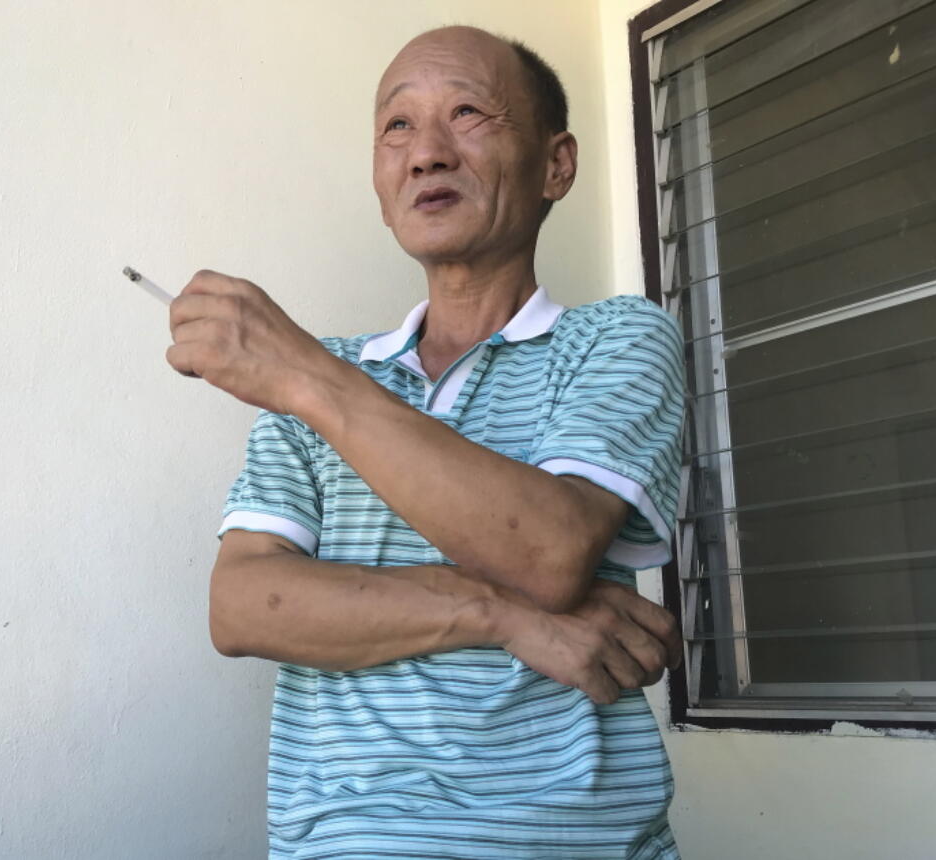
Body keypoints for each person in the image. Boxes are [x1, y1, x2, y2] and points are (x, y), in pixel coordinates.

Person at [165, 25, 685, 859]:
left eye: (468, 112)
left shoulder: (618, 340)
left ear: (557, 164)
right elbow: (243, 606)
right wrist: (502, 615)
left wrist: (303, 376)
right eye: (397, 126)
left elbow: (550, 550)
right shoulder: (325, 374)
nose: (425, 154)